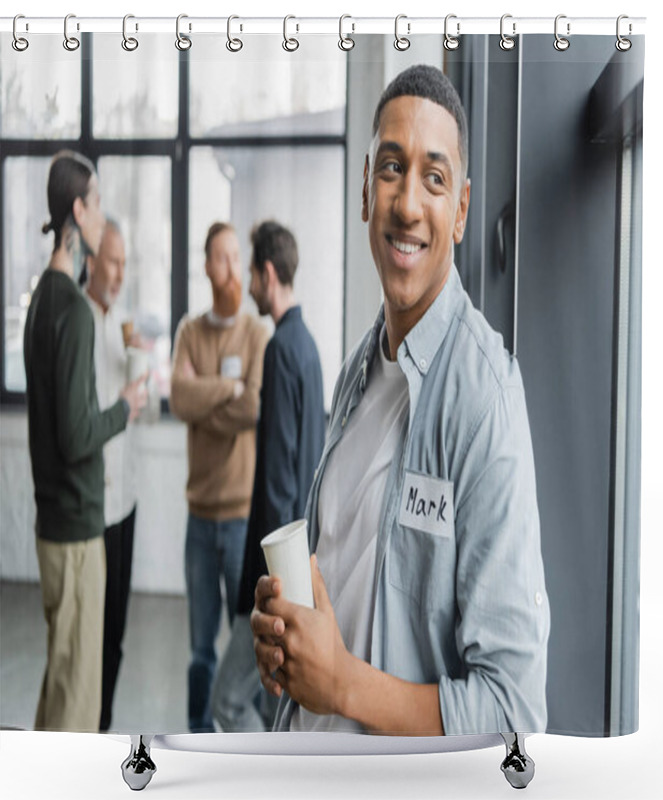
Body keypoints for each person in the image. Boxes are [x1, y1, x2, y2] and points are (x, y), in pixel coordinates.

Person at [251, 65, 550, 735]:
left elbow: (514, 714)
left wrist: (343, 685)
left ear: (462, 210)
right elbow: (345, 590)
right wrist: (288, 639)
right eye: (391, 168)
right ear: (365, 190)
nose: (408, 203)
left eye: (434, 178)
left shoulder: (485, 400)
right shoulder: (359, 368)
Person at [23, 151, 146, 732]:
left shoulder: (41, 297)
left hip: (53, 528)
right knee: (76, 708)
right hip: (76, 535)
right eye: (96, 204)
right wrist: (125, 407)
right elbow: (76, 436)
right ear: (78, 209)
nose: (101, 215)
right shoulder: (70, 308)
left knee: (60, 683)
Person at [210, 221, 325, 732]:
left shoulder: (280, 349)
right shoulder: (308, 346)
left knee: (228, 702)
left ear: (267, 273)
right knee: (269, 703)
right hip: (297, 562)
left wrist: (267, 588)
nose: (250, 285)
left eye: (254, 274)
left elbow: (278, 481)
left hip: (272, 573)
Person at [169, 222, 268, 733]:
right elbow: (178, 399)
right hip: (198, 518)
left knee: (252, 644)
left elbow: (252, 405)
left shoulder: (256, 332)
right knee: (200, 649)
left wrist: (208, 398)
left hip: (239, 521)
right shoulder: (189, 330)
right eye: (220, 258)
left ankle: (262, 751)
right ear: (207, 265)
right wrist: (224, 390)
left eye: (236, 258)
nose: (229, 269)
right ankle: (196, 742)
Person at [83, 219, 140, 732]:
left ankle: (103, 724)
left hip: (126, 500)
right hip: (91, 509)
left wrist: (140, 372)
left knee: (116, 631)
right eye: (114, 261)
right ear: (91, 261)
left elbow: (133, 408)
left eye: (125, 262)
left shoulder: (121, 321)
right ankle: (87, 730)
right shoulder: (79, 322)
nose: (121, 273)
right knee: (90, 635)